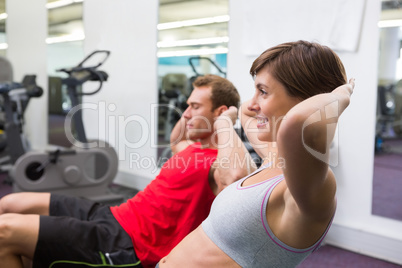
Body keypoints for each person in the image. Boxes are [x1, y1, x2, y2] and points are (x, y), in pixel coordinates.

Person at [0, 74, 256, 268]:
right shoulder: (191, 149)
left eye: (195, 107)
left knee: (4, 232)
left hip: (129, 243)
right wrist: (194, 112)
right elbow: (176, 138)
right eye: (187, 106)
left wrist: (225, 121)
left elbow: (234, 176)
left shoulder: (218, 164)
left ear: (220, 112)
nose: (186, 114)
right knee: (11, 203)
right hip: (113, 214)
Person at [158, 40, 355, 267]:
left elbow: (296, 122)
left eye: (262, 92)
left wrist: (342, 94)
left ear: (306, 101)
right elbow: (246, 112)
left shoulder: (311, 190)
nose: (252, 103)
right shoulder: (274, 159)